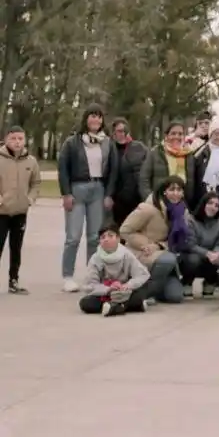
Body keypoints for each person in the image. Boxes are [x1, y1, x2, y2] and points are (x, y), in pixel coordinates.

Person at [58, 104, 119, 292]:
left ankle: (92, 276)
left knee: (94, 237)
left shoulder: (107, 142)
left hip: (98, 189)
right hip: (77, 188)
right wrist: (66, 193)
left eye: (99, 117)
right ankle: (67, 276)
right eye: (92, 116)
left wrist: (109, 194)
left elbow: (113, 170)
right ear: (86, 119)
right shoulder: (72, 142)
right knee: (73, 236)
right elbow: (63, 169)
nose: (96, 120)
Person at [119, 176, 191, 304]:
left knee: (175, 297)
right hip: (142, 254)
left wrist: (158, 245)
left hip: (161, 253)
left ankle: (154, 288)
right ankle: (145, 291)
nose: (176, 193)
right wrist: (146, 244)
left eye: (179, 190)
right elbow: (125, 230)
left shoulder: (181, 212)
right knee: (168, 259)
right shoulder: (147, 208)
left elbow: (172, 240)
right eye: (172, 189)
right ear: (164, 191)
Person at [0, 125, 40, 294]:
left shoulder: (31, 161)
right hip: (1, 212)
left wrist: (30, 199)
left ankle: (13, 280)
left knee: (16, 248)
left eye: (20, 139)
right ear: (6, 139)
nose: (17, 142)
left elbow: (36, 183)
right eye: (13, 138)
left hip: (20, 212)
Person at [79, 224, 151, 316]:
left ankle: (113, 307)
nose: (106, 239)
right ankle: (125, 306)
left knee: (143, 288)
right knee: (85, 303)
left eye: (110, 236)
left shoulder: (127, 254)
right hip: (106, 294)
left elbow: (142, 274)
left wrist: (127, 285)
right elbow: (89, 285)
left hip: (125, 292)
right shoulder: (95, 258)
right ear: (99, 241)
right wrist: (108, 289)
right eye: (103, 237)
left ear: (118, 239)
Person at [185, 191, 219, 298]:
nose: (213, 207)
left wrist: (218, 252)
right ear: (203, 203)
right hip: (193, 254)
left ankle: (210, 281)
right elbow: (190, 245)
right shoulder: (191, 220)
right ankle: (187, 282)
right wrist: (208, 253)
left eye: (217, 205)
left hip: (212, 256)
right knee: (193, 260)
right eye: (210, 203)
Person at [139, 123, 194, 205]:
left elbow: (191, 181)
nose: (177, 136)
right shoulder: (155, 153)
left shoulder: (189, 155)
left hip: (181, 203)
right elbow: (144, 179)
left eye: (180, 134)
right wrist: (150, 199)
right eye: (173, 133)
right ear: (166, 135)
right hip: (158, 202)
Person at [108, 118, 150, 225]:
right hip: (118, 200)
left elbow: (148, 169)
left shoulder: (139, 147)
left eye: (124, 130)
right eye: (119, 131)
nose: (123, 133)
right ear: (114, 133)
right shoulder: (110, 150)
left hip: (137, 198)